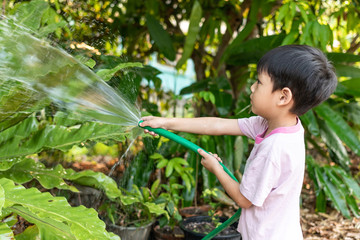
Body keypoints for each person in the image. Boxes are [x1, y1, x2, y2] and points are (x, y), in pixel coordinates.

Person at [139, 45, 337, 240]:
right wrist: (164, 122)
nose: (252, 87)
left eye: (259, 83)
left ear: (283, 96)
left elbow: (244, 200)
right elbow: (215, 125)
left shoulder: (274, 148)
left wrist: (216, 168)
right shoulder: (277, 126)